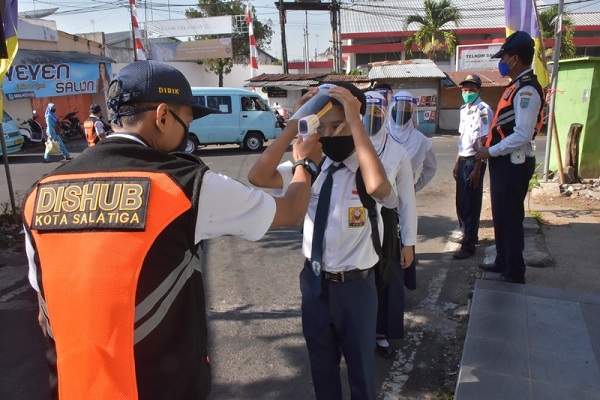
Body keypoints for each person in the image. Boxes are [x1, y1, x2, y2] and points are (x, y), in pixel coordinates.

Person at [22, 60, 319, 400]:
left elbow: (47, 311)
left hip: (74, 388)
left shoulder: (42, 191)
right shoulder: (184, 184)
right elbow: (292, 210)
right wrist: (304, 162)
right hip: (160, 387)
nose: (187, 131)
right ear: (163, 116)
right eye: (186, 120)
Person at [248, 82, 397, 400]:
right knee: (322, 372)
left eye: (335, 126)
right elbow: (258, 176)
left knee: (361, 376)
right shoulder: (311, 168)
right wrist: (293, 126)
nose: (325, 135)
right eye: (321, 127)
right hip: (315, 285)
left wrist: (357, 122)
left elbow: (379, 187)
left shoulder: (365, 166)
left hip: (356, 289)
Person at [475, 31, 545, 284]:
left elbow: (523, 134)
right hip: (505, 161)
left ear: (514, 59)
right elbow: (504, 127)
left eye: (503, 56)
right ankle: (503, 261)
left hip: (513, 162)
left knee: (510, 217)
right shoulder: (515, 87)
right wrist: (489, 141)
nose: (501, 61)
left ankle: (514, 271)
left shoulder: (527, 91)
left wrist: (489, 151)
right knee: (502, 215)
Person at [363, 90, 417, 359]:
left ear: (385, 114)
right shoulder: (350, 145)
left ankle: (381, 332)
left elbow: (407, 201)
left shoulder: (398, 152)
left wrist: (409, 243)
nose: (372, 118)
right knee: (358, 278)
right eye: (367, 112)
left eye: (377, 112)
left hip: (385, 219)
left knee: (385, 278)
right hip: (357, 219)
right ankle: (358, 330)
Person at [452, 74, 493, 260]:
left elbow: (484, 141)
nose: (467, 93)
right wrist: (456, 162)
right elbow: (463, 138)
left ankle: (469, 246)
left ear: (478, 90)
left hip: (474, 161)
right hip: (463, 160)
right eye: (464, 90)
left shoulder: (483, 110)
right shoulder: (464, 109)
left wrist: (478, 168)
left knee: (471, 203)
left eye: (471, 90)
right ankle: (469, 235)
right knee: (461, 201)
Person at [387, 91, 437, 192]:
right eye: (398, 107)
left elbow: (431, 167)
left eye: (407, 108)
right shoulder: (381, 134)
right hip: (380, 194)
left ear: (413, 111)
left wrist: (416, 187)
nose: (402, 111)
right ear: (392, 108)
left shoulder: (421, 140)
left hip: (405, 194)